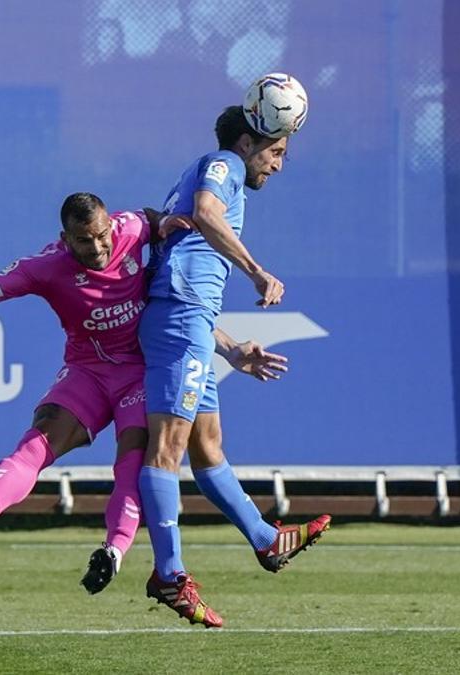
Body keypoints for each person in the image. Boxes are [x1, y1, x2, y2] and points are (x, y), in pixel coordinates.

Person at [0, 192, 289, 595]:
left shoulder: (133, 229)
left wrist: (164, 223)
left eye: (102, 235)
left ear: (110, 225)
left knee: (133, 461)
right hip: (88, 372)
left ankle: (114, 552)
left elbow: (179, 305)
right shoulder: (47, 266)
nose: (98, 247)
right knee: (39, 441)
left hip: (141, 375)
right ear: (65, 238)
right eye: (85, 241)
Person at [139, 107, 332, 628]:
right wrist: (255, 271)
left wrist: (226, 348)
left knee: (207, 445)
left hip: (190, 322)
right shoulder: (222, 164)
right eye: (275, 152)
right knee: (168, 447)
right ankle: (169, 573)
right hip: (181, 320)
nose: (278, 165)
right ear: (247, 143)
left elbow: (187, 289)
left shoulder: (221, 175)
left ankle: (267, 540)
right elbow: (204, 212)